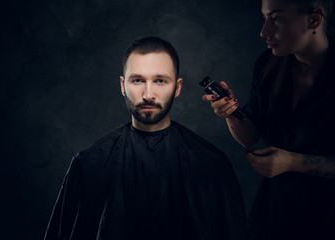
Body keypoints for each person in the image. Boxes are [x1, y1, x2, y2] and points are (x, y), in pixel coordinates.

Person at [44, 36, 248, 240]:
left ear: (177, 87)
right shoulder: (89, 164)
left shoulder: (211, 165)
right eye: (138, 80)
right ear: (123, 85)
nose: (148, 94)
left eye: (160, 81)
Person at [203, 0, 335, 239]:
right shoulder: (268, 64)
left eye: (276, 18)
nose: (264, 31)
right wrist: (231, 113)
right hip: (273, 216)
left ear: (314, 19)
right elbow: (251, 137)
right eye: (264, 18)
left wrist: (294, 162)